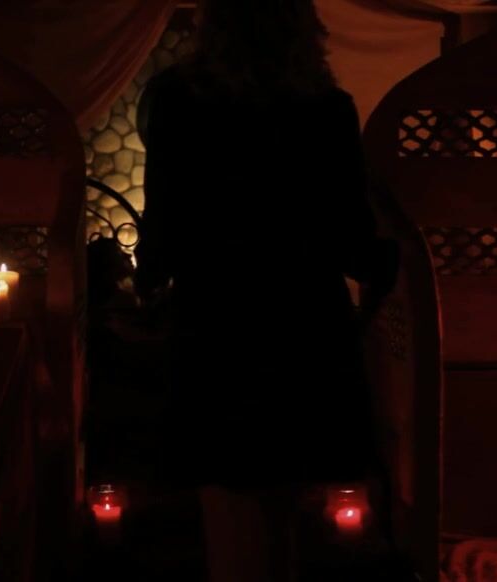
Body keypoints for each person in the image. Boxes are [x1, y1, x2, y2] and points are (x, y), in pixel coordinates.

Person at [133, 0, 396, 579]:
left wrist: (147, 282)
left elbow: (165, 223)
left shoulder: (178, 101)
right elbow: (351, 237)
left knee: (228, 508)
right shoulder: (326, 108)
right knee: (286, 510)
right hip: (304, 323)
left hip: (215, 322)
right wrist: (392, 264)